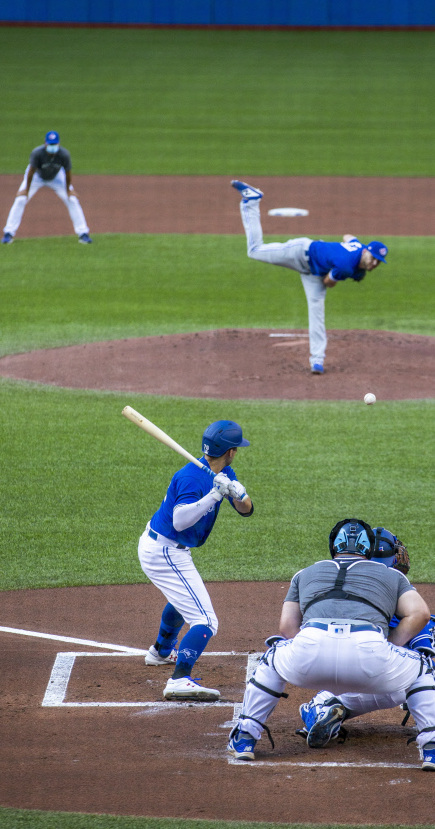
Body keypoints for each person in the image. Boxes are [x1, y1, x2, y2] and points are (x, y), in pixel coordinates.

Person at [227, 519, 435, 770]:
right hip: (371, 657)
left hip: (311, 650)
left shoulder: (304, 573)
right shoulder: (392, 576)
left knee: (272, 658)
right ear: (368, 549)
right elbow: (421, 615)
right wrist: (390, 644)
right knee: (423, 668)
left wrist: (312, 651)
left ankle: (244, 738)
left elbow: (286, 629)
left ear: (333, 546)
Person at [297, 526, 435, 737]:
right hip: (394, 680)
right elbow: (423, 632)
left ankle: (321, 708)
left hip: (335, 673)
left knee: (329, 694)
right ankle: (429, 710)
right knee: (430, 632)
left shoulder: (338, 587)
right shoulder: (400, 589)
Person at [138, 419, 253, 701]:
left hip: (170, 549)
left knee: (185, 601)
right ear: (230, 451)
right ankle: (179, 680)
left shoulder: (223, 471)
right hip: (164, 551)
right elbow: (179, 521)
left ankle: (160, 652)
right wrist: (214, 495)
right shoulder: (191, 478)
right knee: (206, 620)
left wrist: (238, 493)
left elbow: (246, 510)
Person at [231, 180, 388, 374]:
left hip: (314, 271)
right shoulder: (345, 266)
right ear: (366, 252)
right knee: (255, 251)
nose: (374, 264)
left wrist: (350, 250)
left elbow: (348, 236)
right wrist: (341, 267)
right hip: (300, 252)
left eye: (378, 262)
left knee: (317, 312)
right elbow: (328, 282)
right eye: (373, 258)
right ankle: (252, 201)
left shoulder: (359, 248)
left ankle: (317, 361)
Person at [0, 131, 93, 244]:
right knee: (20, 199)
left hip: (57, 178)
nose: (52, 147)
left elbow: (68, 173)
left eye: (54, 144)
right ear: (45, 143)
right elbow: (31, 172)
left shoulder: (64, 154)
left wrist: (68, 190)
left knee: (72, 200)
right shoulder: (37, 153)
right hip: (36, 177)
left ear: (58, 143)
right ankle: (8, 233)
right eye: (50, 144)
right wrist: (26, 190)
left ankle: (83, 234)